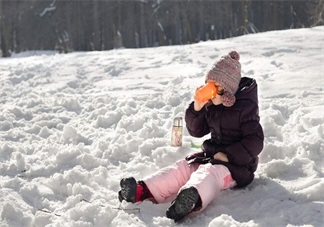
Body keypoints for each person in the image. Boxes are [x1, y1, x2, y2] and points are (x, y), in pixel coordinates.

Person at [118, 50, 264, 222]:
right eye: (208, 84)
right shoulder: (213, 105)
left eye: (215, 87)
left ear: (228, 90)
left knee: (210, 173)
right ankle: (143, 190)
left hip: (237, 166)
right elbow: (197, 131)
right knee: (183, 167)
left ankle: (191, 199)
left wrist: (229, 155)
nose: (210, 90)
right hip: (211, 154)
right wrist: (197, 108)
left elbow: (255, 141)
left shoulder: (245, 109)